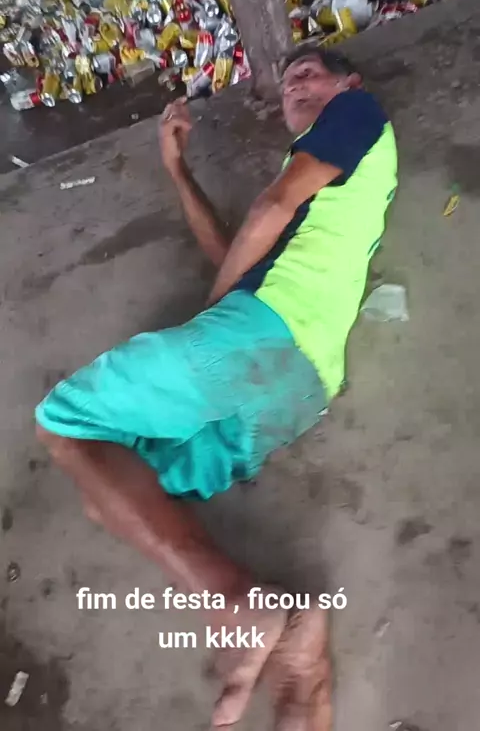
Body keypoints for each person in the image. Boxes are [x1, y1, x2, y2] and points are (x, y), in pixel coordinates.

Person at [36, 47, 397, 731]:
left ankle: (235, 602)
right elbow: (240, 250)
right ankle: (298, 647)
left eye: (310, 72)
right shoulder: (332, 196)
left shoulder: (357, 113)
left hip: (262, 334)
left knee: (65, 425)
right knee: (113, 493)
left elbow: (271, 205)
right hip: (302, 383)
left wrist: (213, 314)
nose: (295, 83)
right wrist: (178, 170)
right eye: (287, 80)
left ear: (349, 81)